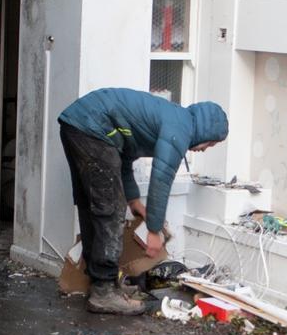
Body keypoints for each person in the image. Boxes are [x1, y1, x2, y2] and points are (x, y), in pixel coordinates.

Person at [57, 87, 228, 315]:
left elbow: (124, 157)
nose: (206, 149)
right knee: (110, 210)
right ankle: (103, 291)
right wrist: (154, 230)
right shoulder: (180, 129)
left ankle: (101, 283)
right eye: (211, 143)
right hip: (92, 127)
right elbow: (161, 178)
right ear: (206, 130)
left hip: (79, 125)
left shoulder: (173, 120)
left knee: (94, 205)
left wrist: (134, 201)